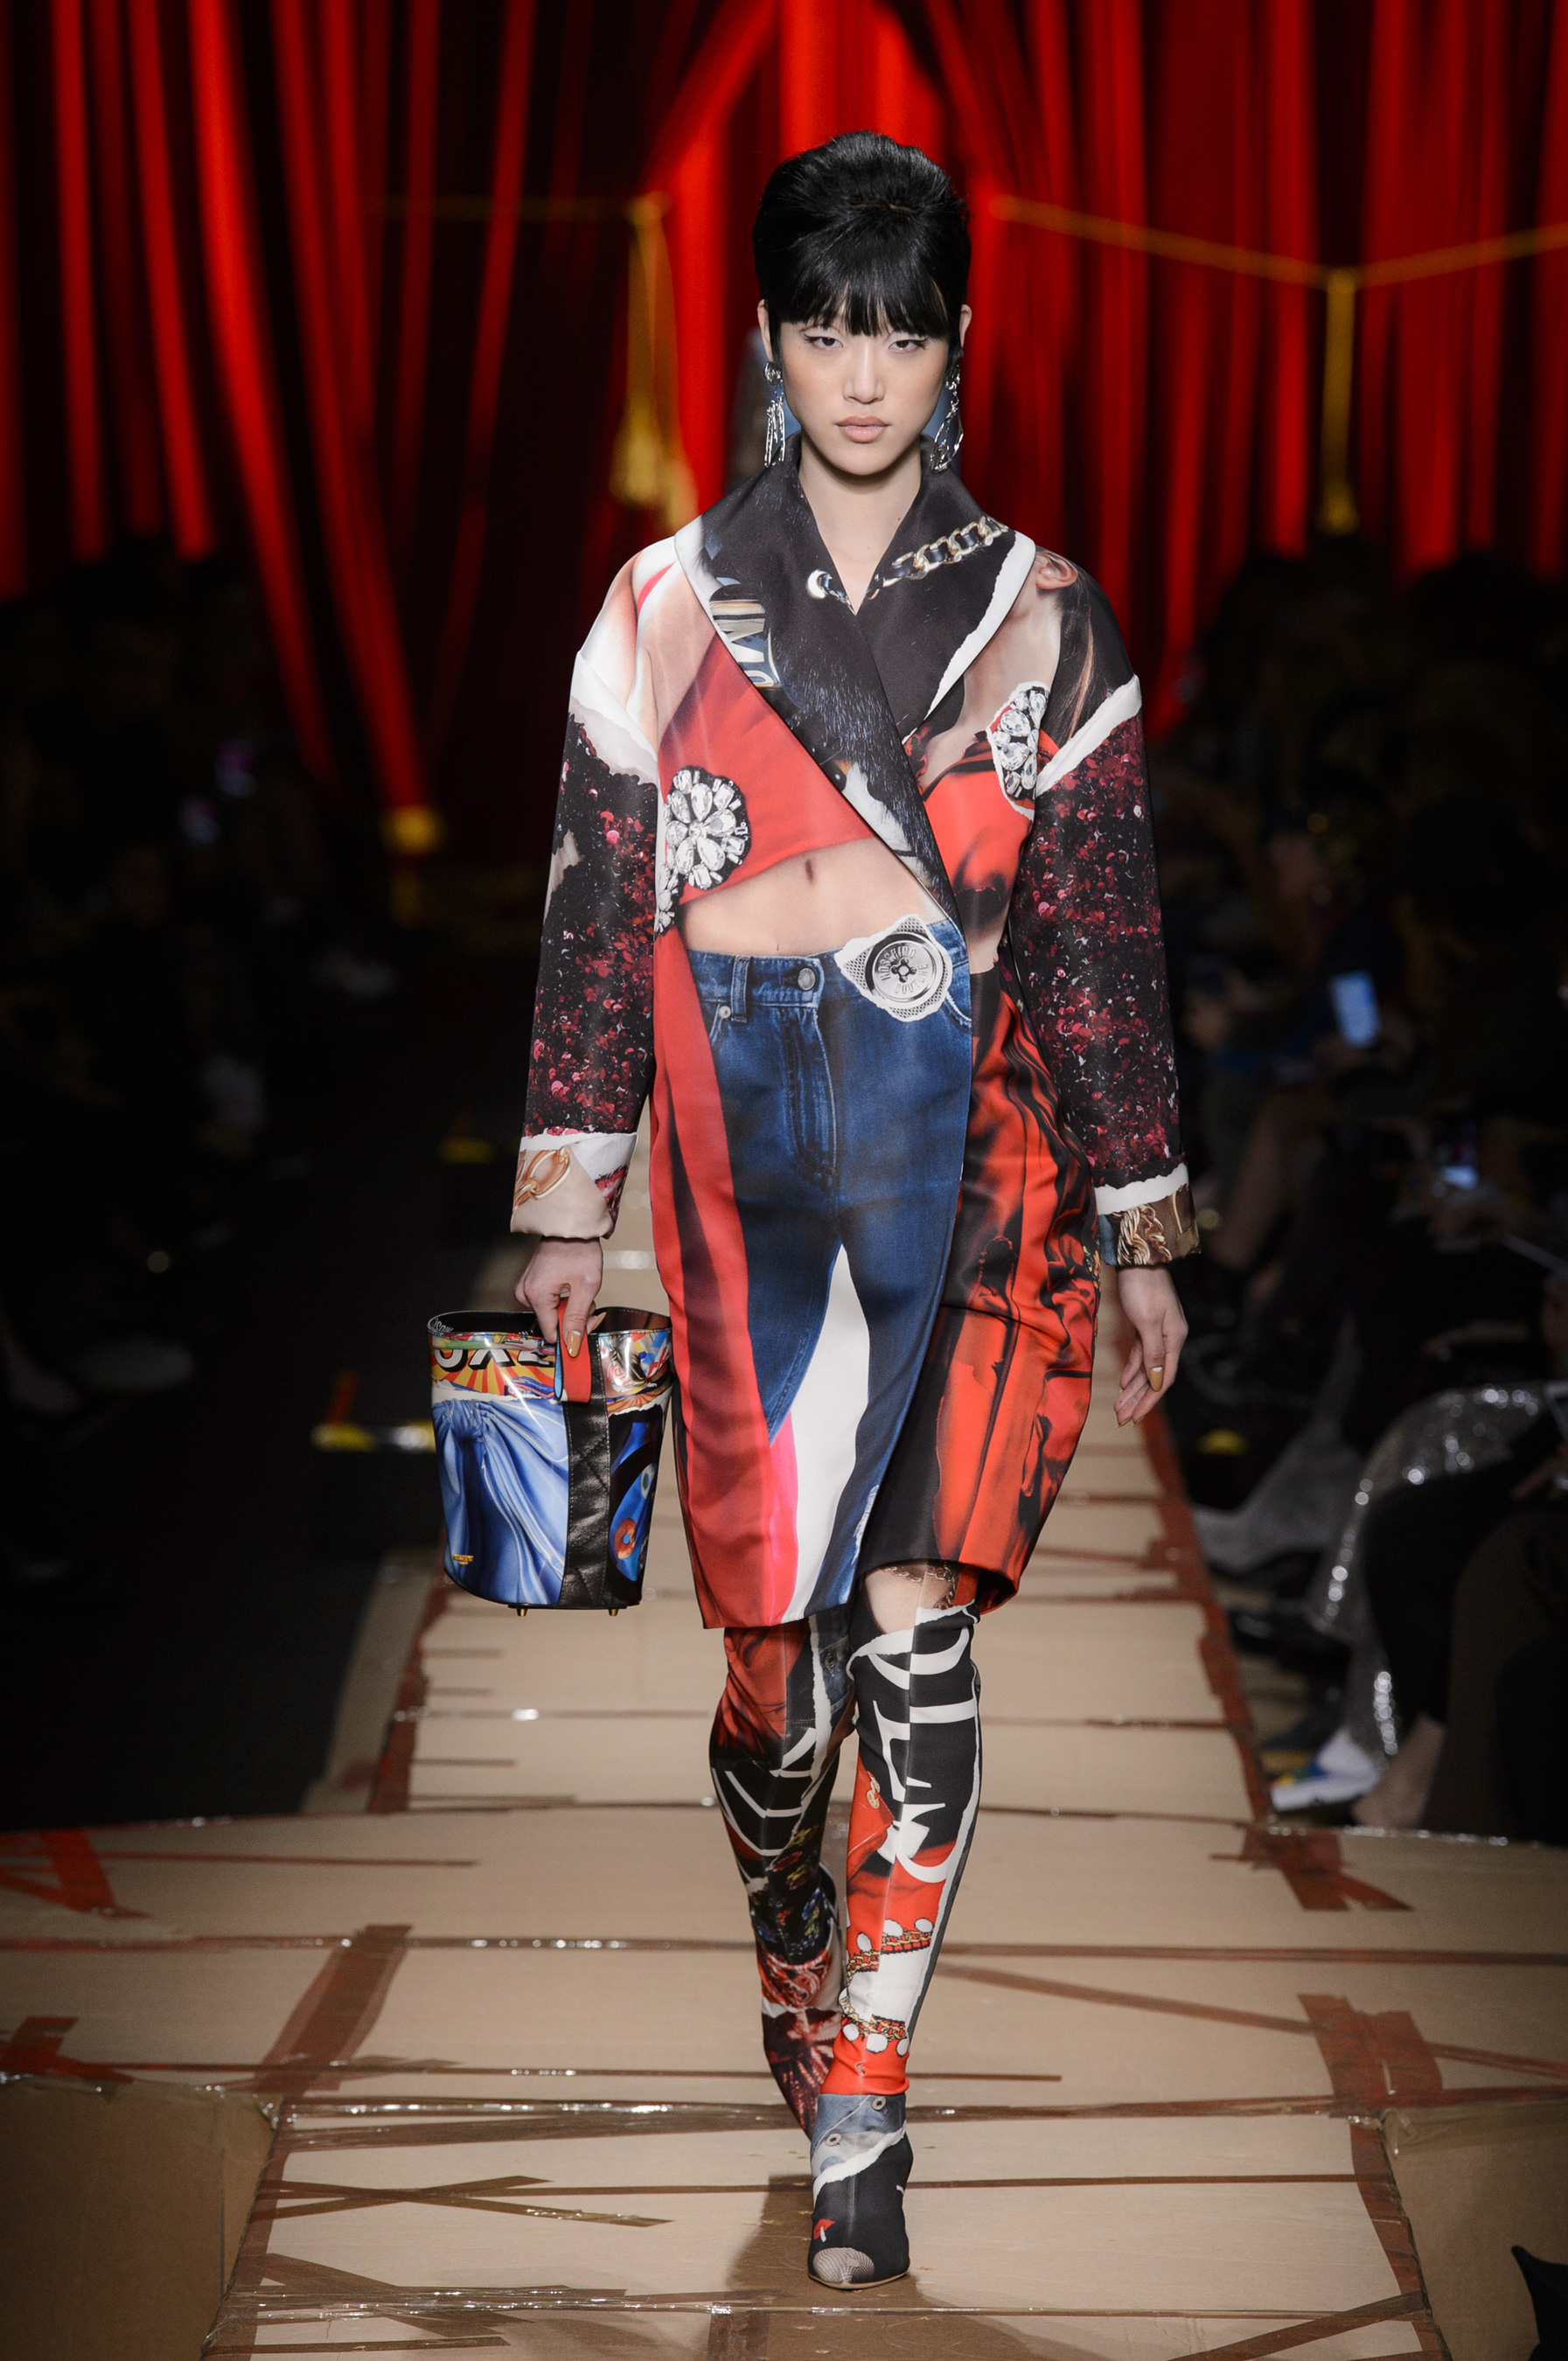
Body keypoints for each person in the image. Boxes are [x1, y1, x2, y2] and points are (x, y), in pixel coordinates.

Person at [514, 134, 1194, 2289]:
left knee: (917, 1624)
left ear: (959, 341)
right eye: (828, 330)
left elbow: (1096, 938)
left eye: (900, 333)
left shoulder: (1047, 614)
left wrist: (1144, 1218)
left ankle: (867, 2099)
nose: (866, 374)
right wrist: (566, 1208)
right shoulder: (661, 604)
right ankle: (798, 1942)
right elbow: (594, 916)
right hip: (755, 1184)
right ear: (770, 340)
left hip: (984, 1169)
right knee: (775, 1688)